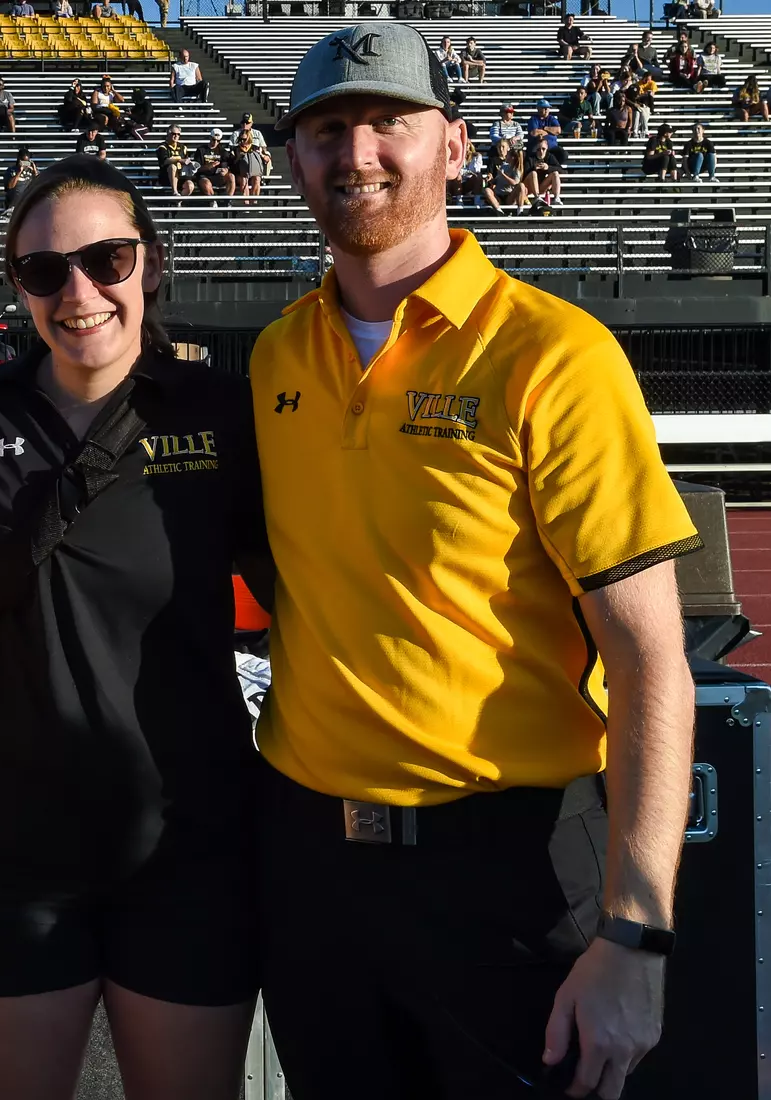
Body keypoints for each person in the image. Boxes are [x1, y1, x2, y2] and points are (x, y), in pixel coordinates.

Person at [262, 23, 697, 1100]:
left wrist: (636, 936)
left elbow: (651, 663)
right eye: (325, 129)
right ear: (290, 160)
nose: (355, 151)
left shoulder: (554, 354)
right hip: (312, 864)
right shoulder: (276, 353)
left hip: (508, 866)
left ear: (455, 144)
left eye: (386, 122)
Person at [0, 153, 265, 1100]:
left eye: (106, 260)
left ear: (150, 263)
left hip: (186, 843)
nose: (79, 292)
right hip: (7, 854)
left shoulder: (225, 415)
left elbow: (313, 590)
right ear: (17, 288)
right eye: (42, 272)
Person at [195, 128, 236, 197]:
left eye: (218, 141)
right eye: (213, 139)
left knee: (231, 176)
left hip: (218, 176)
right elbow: (197, 168)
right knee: (206, 183)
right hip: (205, 176)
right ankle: (213, 201)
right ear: (210, 138)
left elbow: (231, 163)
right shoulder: (201, 150)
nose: (215, 142)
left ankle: (228, 200)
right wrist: (208, 166)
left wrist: (226, 170)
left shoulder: (222, 151)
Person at [155, 124, 189, 196]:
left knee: (190, 185)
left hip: (180, 175)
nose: (176, 136)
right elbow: (164, 161)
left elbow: (186, 160)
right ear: (168, 134)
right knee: (172, 167)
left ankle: (178, 201)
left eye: (178, 134)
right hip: (166, 176)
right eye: (174, 133)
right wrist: (178, 160)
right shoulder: (162, 146)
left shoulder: (183, 147)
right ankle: (175, 192)